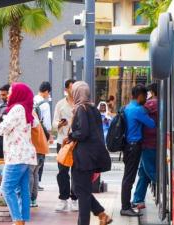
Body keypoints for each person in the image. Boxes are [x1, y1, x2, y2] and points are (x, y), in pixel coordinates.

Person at [68, 81, 112, 225]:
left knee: (82, 192)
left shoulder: (81, 108)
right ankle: (101, 214)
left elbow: (83, 133)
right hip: (92, 156)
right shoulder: (93, 108)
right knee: (79, 189)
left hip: (83, 156)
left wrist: (71, 135)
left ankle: (91, 219)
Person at [0, 83, 38, 225]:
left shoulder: (16, 109)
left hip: (16, 156)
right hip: (27, 156)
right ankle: (22, 220)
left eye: (10, 92)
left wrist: (3, 120)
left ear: (17, 94)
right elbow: (36, 125)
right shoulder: (27, 109)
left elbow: (2, 128)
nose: (8, 95)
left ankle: (17, 220)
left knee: (6, 188)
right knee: (23, 190)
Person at [120, 84, 155, 217]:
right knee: (129, 178)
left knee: (128, 177)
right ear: (140, 96)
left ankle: (126, 205)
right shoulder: (138, 110)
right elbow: (151, 124)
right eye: (145, 96)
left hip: (128, 146)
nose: (146, 99)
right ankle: (125, 207)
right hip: (134, 146)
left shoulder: (127, 107)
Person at [52, 79, 78, 212]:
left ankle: (75, 198)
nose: (74, 91)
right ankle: (63, 198)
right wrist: (60, 124)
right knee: (62, 172)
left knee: (77, 171)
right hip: (63, 142)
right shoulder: (60, 104)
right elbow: (54, 124)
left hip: (78, 143)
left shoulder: (81, 104)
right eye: (72, 88)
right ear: (66, 90)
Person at [132, 83, 158, 210]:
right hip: (155, 142)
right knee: (143, 172)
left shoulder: (151, 103)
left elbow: (139, 112)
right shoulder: (165, 102)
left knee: (150, 170)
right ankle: (138, 199)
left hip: (148, 143)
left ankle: (167, 186)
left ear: (152, 92)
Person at [34, 81, 52, 190]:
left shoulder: (32, 100)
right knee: (40, 158)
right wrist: (49, 136)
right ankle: (37, 182)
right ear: (46, 92)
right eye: (48, 93)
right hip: (41, 134)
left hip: (32, 132)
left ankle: (32, 181)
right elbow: (47, 123)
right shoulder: (44, 105)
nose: (48, 95)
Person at [29, 112, 49, 208]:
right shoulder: (34, 113)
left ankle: (28, 199)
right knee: (35, 174)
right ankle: (33, 200)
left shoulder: (28, 113)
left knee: (30, 174)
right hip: (41, 149)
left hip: (35, 149)